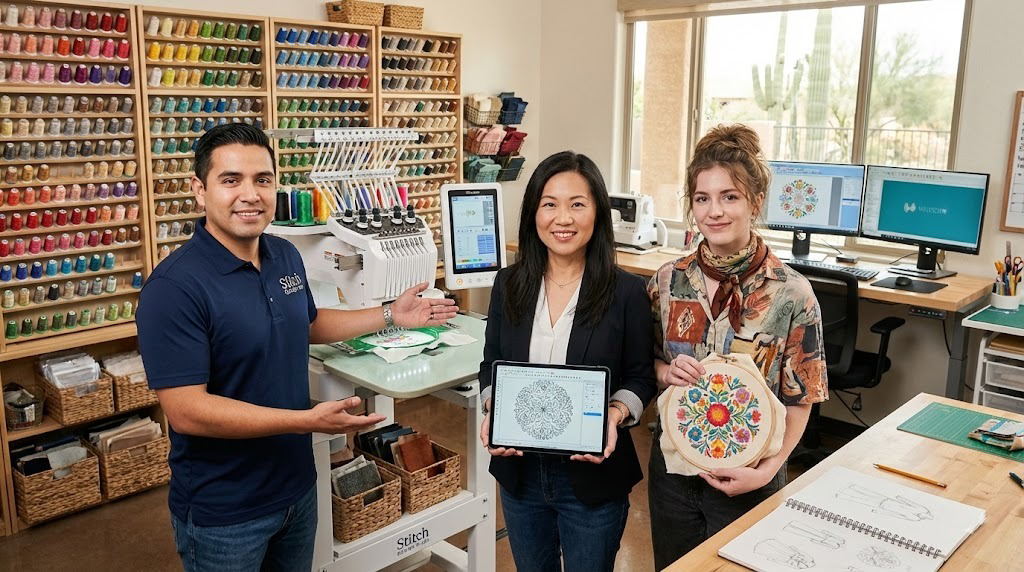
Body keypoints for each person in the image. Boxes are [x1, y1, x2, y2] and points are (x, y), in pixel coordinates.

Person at [136, 123, 457, 572]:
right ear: (199, 190)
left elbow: (306, 322)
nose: (250, 194)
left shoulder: (283, 255)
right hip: (227, 511)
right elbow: (187, 410)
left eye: (262, 180)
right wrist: (305, 421)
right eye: (231, 180)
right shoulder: (173, 289)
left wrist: (390, 315)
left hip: (296, 489)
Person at [646, 125, 828, 569]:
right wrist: (666, 374)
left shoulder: (792, 294)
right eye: (702, 198)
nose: (714, 212)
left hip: (751, 475)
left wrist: (768, 470)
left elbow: (800, 399)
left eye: (729, 196)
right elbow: (646, 363)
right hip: (673, 473)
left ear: (755, 201)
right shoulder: (668, 281)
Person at [477, 151, 657, 572]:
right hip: (520, 471)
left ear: (597, 212)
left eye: (578, 204)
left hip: (592, 479)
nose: (563, 219)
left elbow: (640, 377)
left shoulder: (627, 292)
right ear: (533, 213)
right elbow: (491, 363)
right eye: (549, 204)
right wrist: (493, 406)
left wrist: (613, 415)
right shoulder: (509, 283)